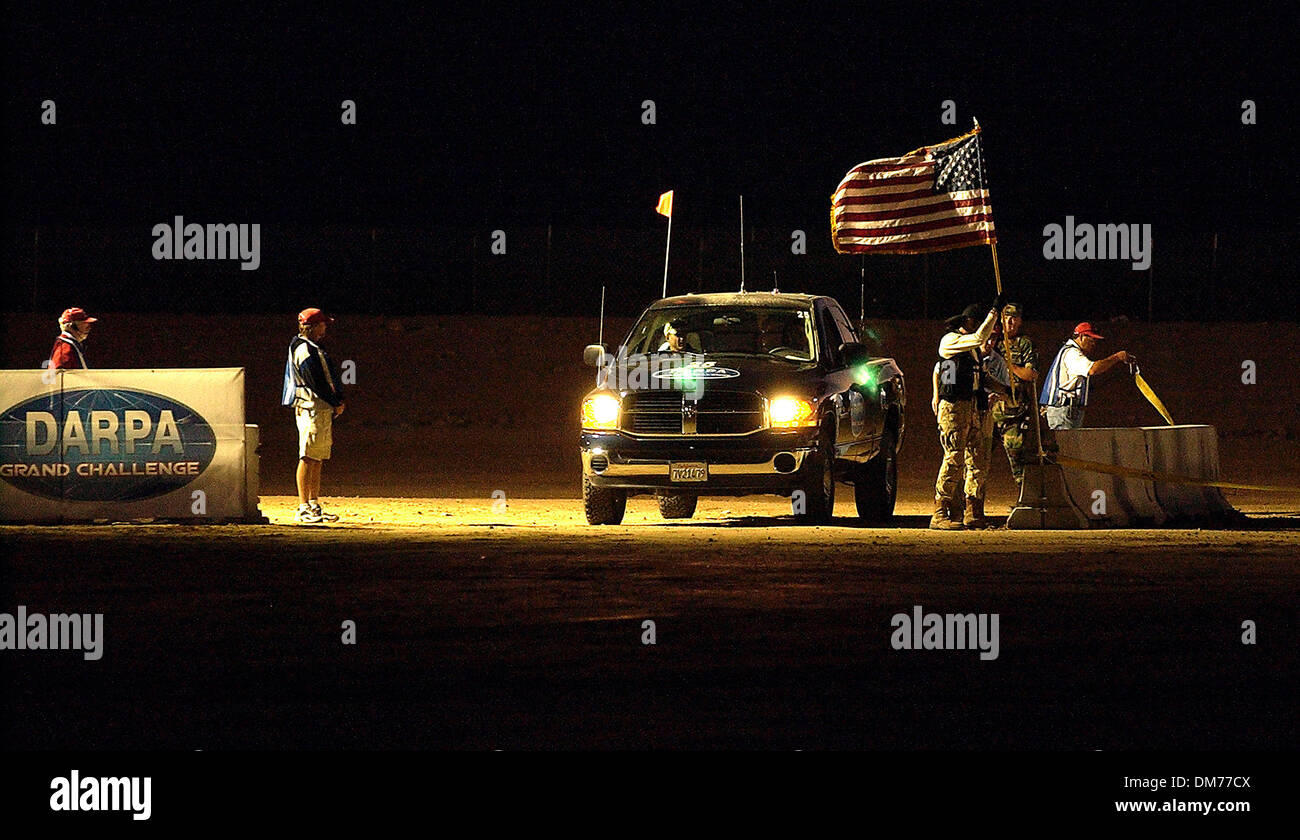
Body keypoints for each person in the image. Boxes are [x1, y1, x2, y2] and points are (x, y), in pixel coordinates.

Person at [930, 298, 1000, 530]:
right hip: (953, 409)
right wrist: (993, 313)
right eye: (977, 322)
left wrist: (1007, 390)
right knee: (953, 458)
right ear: (969, 321)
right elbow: (979, 338)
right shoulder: (951, 341)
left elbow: (982, 377)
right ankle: (940, 510)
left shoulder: (972, 352)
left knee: (977, 461)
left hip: (972, 407)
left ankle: (973, 510)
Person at [282, 308, 346, 524]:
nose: (325, 327)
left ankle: (314, 504)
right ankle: (303, 507)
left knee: (316, 458)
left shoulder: (310, 347)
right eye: (323, 324)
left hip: (319, 408)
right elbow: (316, 381)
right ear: (314, 326)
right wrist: (335, 401)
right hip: (311, 407)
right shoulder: (304, 349)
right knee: (307, 456)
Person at [1039, 322, 1136, 430]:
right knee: (1067, 446)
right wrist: (1117, 357)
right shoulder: (1072, 353)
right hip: (1063, 411)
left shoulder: (1068, 351)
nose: (1094, 343)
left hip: (1066, 410)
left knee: (1071, 446)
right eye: (1092, 339)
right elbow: (1093, 369)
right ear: (1081, 336)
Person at [988, 303, 1039, 491]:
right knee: (979, 459)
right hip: (989, 412)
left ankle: (1025, 500)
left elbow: (1030, 374)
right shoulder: (994, 342)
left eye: (1014, 317)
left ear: (1019, 321)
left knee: (1018, 462)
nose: (1010, 321)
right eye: (1007, 317)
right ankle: (971, 506)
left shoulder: (1024, 344)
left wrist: (1010, 366)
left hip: (1013, 413)